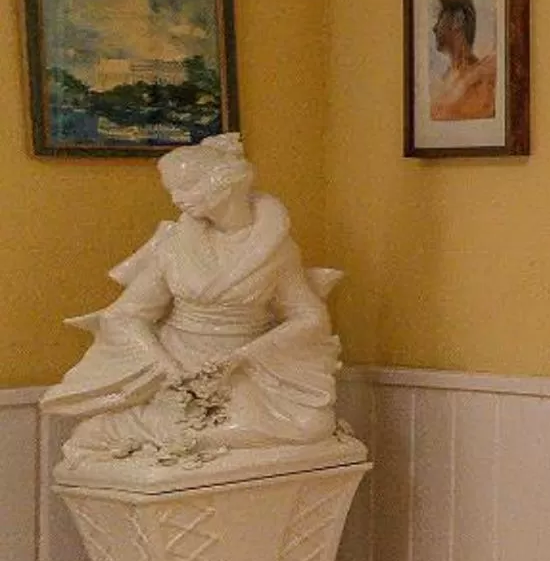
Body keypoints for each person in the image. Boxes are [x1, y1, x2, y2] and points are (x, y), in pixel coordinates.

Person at [44, 135, 344, 469]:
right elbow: (126, 315)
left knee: (311, 426)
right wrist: (165, 367)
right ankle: (163, 432)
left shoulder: (276, 249)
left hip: (245, 365)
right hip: (179, 361)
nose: (176, 198)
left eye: (186, 187)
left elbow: (309, 317)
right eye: (172, 189)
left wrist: (245, 356)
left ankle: (178, 437)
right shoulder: (174, 245)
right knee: (99, 430)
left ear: (223, 183)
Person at [428, 0, 498, 122]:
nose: (434, 28)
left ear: (458, 20)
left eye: (440, 18)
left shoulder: (483, 76)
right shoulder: (443, 80)